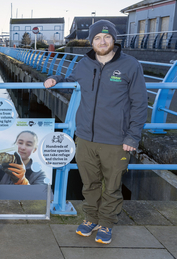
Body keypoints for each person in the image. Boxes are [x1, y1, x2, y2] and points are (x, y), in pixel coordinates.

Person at [44, 20, 148, 244]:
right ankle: (91, 218)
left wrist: (132, 136)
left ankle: (107, 223)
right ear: (91, 41)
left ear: (114, 40)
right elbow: (72, 80)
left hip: (116, 140)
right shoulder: (84, 63)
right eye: (98, 38)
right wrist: (56, 79)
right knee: (89, 183)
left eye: (107, 37)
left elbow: (140, 104)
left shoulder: (130, 66)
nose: (102, 42)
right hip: (85, 137)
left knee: (112, 185)